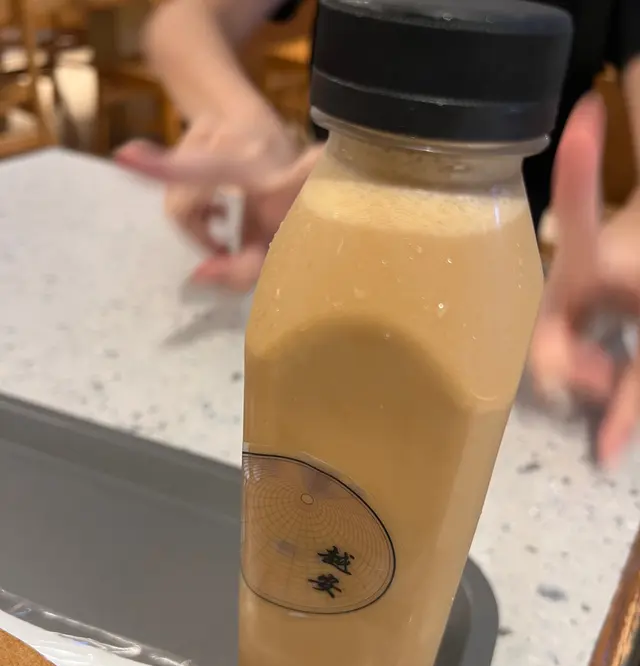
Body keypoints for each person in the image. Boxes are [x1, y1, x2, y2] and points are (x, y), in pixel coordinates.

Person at [116, 0, 640, 468]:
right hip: (324, 239)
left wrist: (627, 242)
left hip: (491, 293)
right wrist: (244, 122)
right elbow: (184, 20)